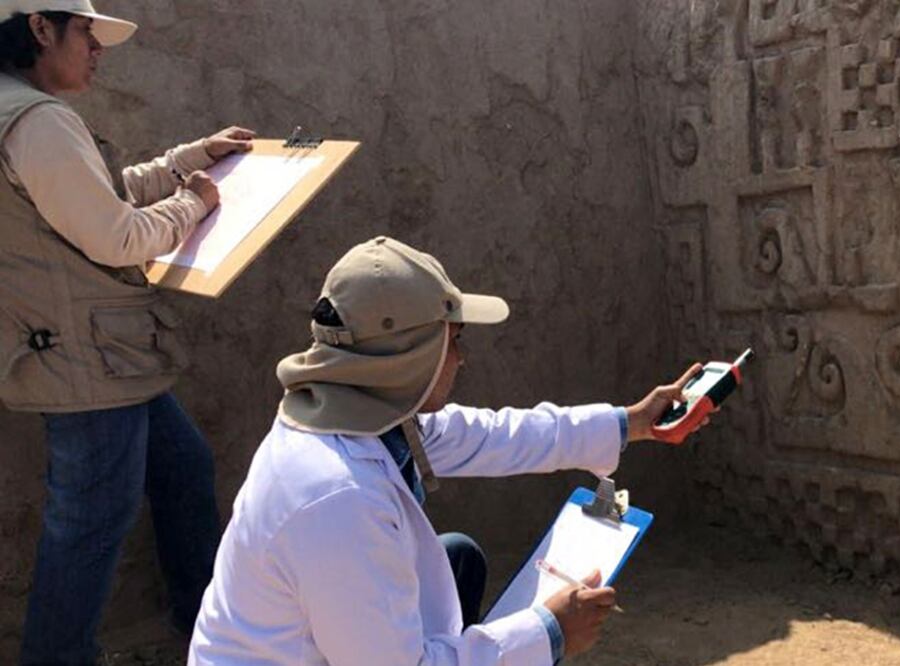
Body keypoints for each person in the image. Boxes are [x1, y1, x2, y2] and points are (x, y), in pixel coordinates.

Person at [189, 236, 709, 665]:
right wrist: (550, 631)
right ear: (407, 358)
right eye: (453, 341)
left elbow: (496, 435)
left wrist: (631, 424)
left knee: (455, 557)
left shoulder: (363, 415)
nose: (461, 358)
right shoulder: (336, 498)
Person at [0, 2, 255, 664]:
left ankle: (205, 623)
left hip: (95, 355)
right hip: (87, 363)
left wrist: (187, 161)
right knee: (88, 526)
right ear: (38, 27)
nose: (96, 48)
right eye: (85, 32)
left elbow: (98, 197)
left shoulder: (23, 111)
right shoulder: (37, 120)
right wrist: (194, 201)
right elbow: (116, 236)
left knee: (182, 467)